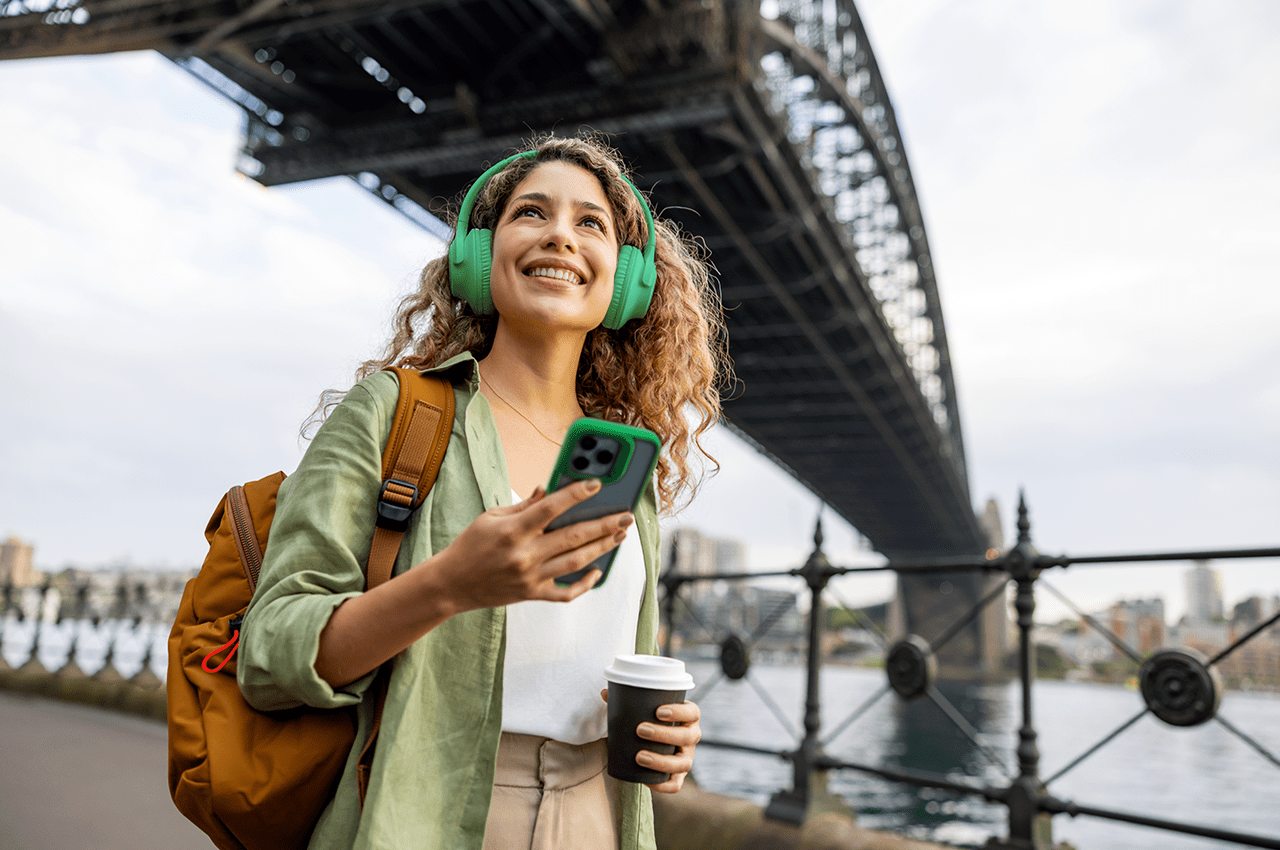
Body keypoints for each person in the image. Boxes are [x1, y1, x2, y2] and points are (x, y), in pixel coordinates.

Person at [238, 133, 731, 850]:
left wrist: (668, 738)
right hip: (421, 813)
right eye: (531, 213)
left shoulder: (625, 468)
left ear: (626, 279)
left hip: (600, 813)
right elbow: (270, 656)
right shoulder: (392, 413)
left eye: (590, 223)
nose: (560, 233)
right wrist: (449, 585)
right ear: (478, 257)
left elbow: (607, 667)